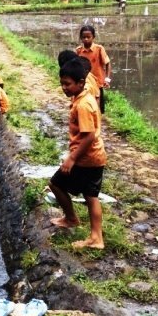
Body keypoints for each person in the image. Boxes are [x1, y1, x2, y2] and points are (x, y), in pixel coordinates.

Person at [48, 59, 107, 250]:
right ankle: (92, 234)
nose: (64, 88)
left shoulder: (83, 105)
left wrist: (72, 158)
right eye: (62, 83)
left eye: (68, 84)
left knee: (56, 184)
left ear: (80, 83)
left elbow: (89, 136)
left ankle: (76, 222)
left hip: (86, 159)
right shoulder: (82, 97)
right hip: (93, 157)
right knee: (91, 196)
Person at [76, 24, 111, 114]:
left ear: (93, 37)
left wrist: (107, 79)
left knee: (98, 108)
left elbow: (107, 63)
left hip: (98, 84)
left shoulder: (99, 49)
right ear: (81, 38)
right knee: (85, 106)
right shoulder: (79, 51)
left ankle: (97, 125)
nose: (86, 39)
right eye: (84, 37)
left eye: (88, 37)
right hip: (84, 85)